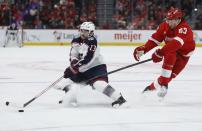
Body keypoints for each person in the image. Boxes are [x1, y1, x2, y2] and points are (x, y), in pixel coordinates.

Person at [56, 22, 127, 108]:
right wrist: (73, 65)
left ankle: (120, 99)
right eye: (81, 30)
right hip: (82, 70)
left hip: (96, 69)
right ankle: (72, 98)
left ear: (91, 32)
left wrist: (73, 68)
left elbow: (88, 59)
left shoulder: (92, 42)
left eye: (85, 31)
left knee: (99, 84)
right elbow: (73, 55)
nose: (82, 33)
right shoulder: (76, 41)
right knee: (65, 83)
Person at [133, 7, 195, 97]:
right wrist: (144, 49)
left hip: (184, 55)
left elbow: (176, 43)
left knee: (169, 76)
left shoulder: (184, 28)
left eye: (171, 20)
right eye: (168, 19)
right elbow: (155, 39)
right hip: (171, 51)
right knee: (169, 53)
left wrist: (160, 53)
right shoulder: (164, 25)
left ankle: (150, 88)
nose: (168, 22)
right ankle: (164, 86)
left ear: (178, 19)